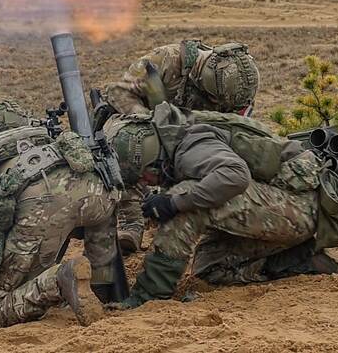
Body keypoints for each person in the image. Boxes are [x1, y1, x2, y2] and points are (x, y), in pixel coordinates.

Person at [103, 103, 338, 309]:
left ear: (150, 159)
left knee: (185, 199)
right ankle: (297, 260)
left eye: (144, 176)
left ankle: (148, 297)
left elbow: (235, 176)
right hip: (286, 204)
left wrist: (174, 203)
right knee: (211, 270)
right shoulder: (172, 132)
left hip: (300, 206)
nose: (145, 182)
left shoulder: (191, 147)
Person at [0, 100, 121, 327]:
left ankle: (59, 280)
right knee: (89, 216)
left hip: (43, 207)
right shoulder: (52, 136)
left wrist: (3, 257)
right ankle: (103, 287)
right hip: (101, 194)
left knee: (0, 310)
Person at [101, 40, 261, 255]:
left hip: (190, 139)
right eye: (213, 98)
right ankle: (131, 222)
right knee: (137, 145)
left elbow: (234, 125)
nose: (216, 103)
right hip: (149, 131)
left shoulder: (236, 87)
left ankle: (181, 214)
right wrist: (152, 122)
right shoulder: (167, 60)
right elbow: (119, 92)